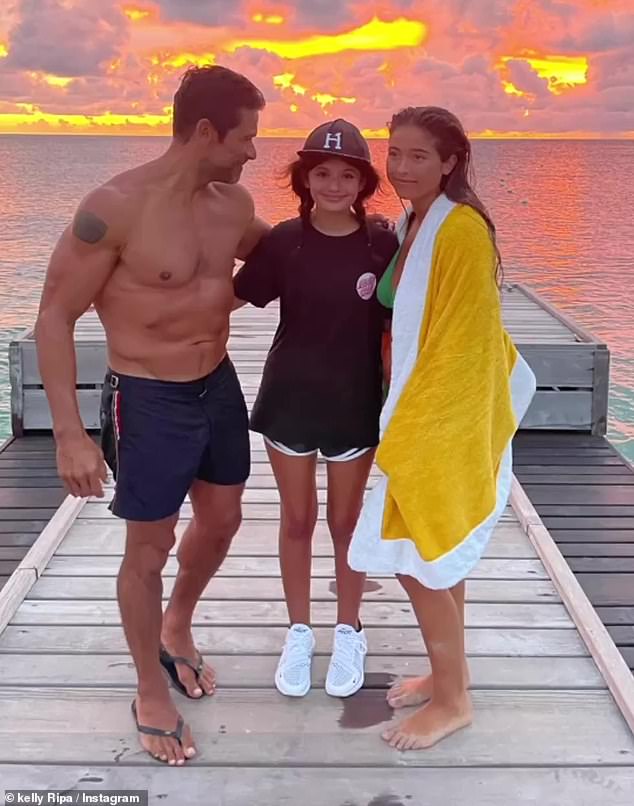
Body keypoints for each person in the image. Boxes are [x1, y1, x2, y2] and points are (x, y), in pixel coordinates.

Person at [34, 65, 271, 766]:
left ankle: (177, 624)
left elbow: (287, 255)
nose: (254, 152)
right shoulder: (114, 208)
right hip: (147, 397)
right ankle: (148, 687)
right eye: (246, 138)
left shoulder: (231, 204)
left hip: (217, 385)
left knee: (224, 520)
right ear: (205, 131)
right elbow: (54, 317)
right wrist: (71, 436)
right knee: (149, 548)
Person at [347, 106, 537, 750]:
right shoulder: (413, 220)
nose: (400, 167)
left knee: (418, 558)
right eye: (393, 153)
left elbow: (467, 341)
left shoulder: (460, 232)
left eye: (418, 156)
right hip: (411, 400)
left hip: (438, 415)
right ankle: (447, 673)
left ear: (451, 161)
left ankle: (454, 702)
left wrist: (422, 426)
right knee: (437, 557)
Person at [233, 119, 398, 698]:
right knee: (297, 519)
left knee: (346, 524)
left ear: (363, 181)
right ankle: (299, 629)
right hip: (290, 399)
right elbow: (226, 298)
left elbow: (421, 306)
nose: (333, 184)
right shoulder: (283, 241)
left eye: (346, 174)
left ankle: (349, 628)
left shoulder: (382, 242)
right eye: (321, 173)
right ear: (304, 179)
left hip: (355, 403)